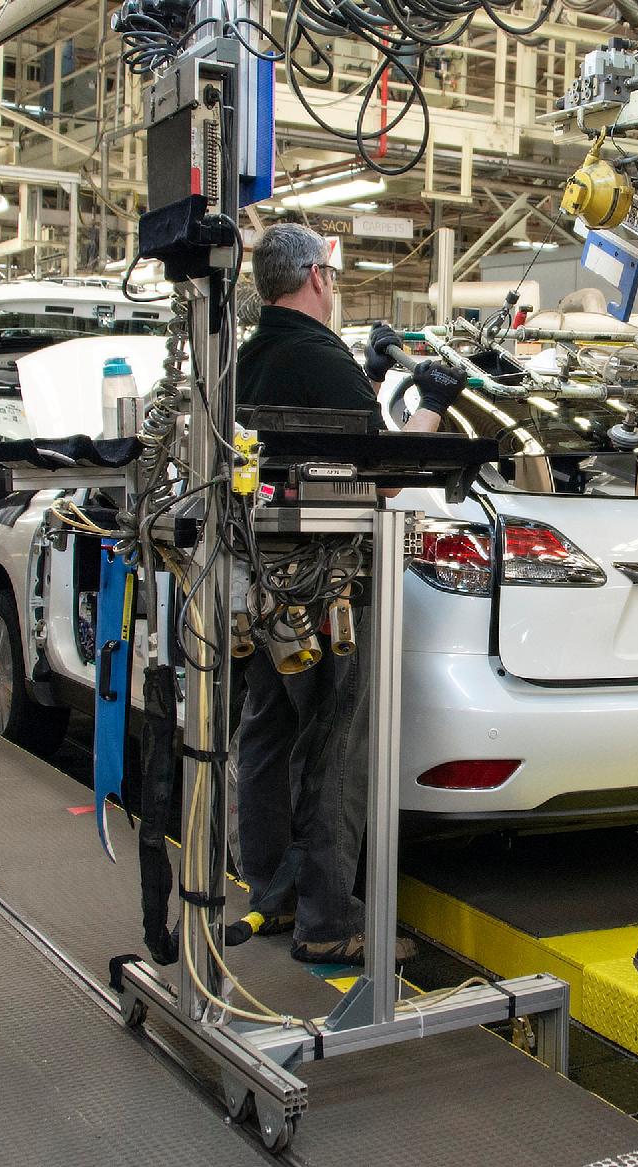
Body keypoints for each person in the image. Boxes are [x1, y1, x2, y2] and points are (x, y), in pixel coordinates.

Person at [233, 222, 464, 966]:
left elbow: (324, 446)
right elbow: (389, 471)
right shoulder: (313, 350)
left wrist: (363, 380)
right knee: (336, 739)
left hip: (267, 580)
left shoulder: (252, 353)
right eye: (331, 276)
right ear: (316, 279)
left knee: (267, 725)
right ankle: (330, 918)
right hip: (330, 578)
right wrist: (433, 401)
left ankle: (269, 886)